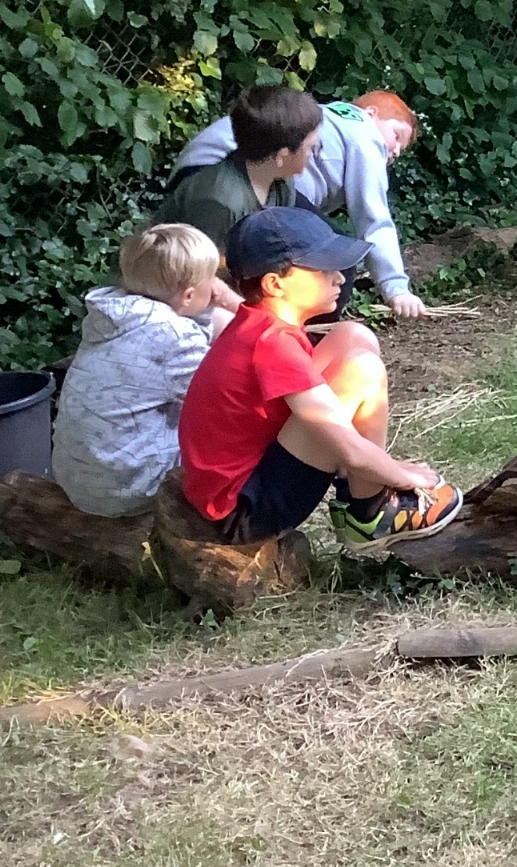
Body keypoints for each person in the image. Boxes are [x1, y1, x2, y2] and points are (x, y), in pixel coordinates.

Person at [178, 208, 462, 548]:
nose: (340, 278)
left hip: (251, 474)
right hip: (242, 513)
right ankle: (369, 513)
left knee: (353, 335)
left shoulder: (262, 324)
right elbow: (350, 450)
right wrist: (402, 475)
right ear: (274, 284)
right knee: (363, 369)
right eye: (324, 269)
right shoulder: (272, 344)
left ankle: (361, 489)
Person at [172, 90, 429, 318]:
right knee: (332, 263)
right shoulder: (364, 133)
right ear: (370, 113)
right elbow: (374, 218)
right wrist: (396, 288)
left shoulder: (314, 131)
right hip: (218, 170)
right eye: (397, 136)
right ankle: (301, 340)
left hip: (212, 165)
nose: (395, 151)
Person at [51, 225, 232, 518]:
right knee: (236, 424)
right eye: (211, 278)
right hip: (127, 488)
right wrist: (233, 302)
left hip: (78, 478)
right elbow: (228, 391)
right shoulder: (175, 337)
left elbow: (204, 323)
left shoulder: (113, 313)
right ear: (188, 296)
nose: (216, 286)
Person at [156, 86, 323, 306]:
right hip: (179, 292)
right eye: (311, 147)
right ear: (282, 156)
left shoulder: (281, 182)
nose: (313, 154)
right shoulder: (219, 201)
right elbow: (205, 279)